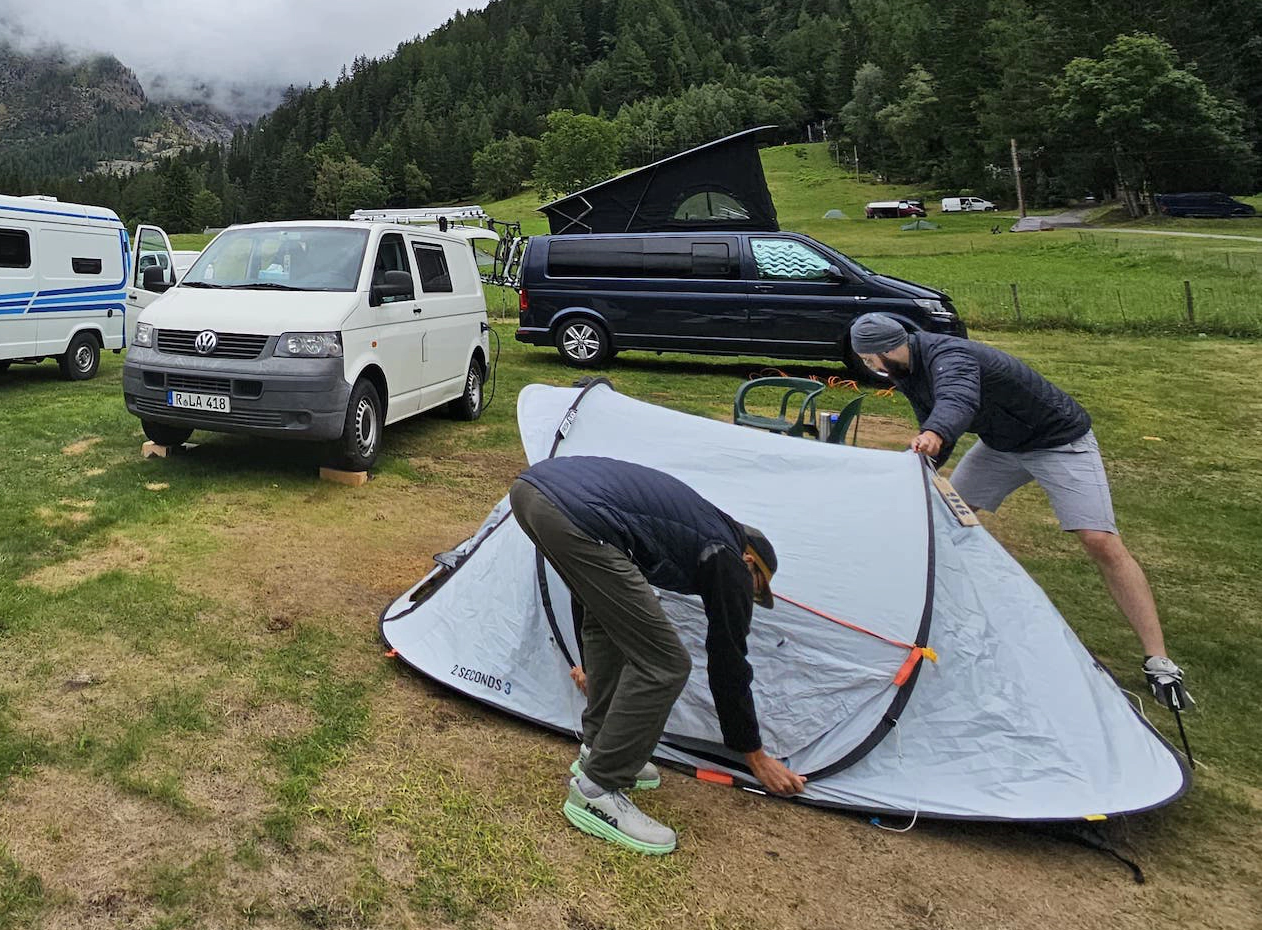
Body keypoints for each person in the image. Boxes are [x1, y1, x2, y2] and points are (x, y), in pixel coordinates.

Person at [848, 313, 1193, 712]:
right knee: (941, 516)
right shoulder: (906, 369)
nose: (868, 367)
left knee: (1099, 540)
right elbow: (936, 424)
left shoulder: (949, 356)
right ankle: (925, 619)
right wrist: (923, 463)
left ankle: (1159, 661)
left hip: (1059, 441)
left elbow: (957, 400)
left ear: (883, 350)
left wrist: (935, 432)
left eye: (868, 359)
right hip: (1001, 447)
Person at [508, 455, 806, 856]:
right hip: (572, 511)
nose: (749, 596)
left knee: (608, 625)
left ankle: (600, 748)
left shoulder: (699, 528)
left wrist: (590, 666)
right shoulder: (729, 557)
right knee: (666, 664)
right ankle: (598, 788)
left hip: (533, 492)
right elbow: (728, 659)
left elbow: (598, 604)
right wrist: (753, 754)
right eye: (756, 589)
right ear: (751, 563)